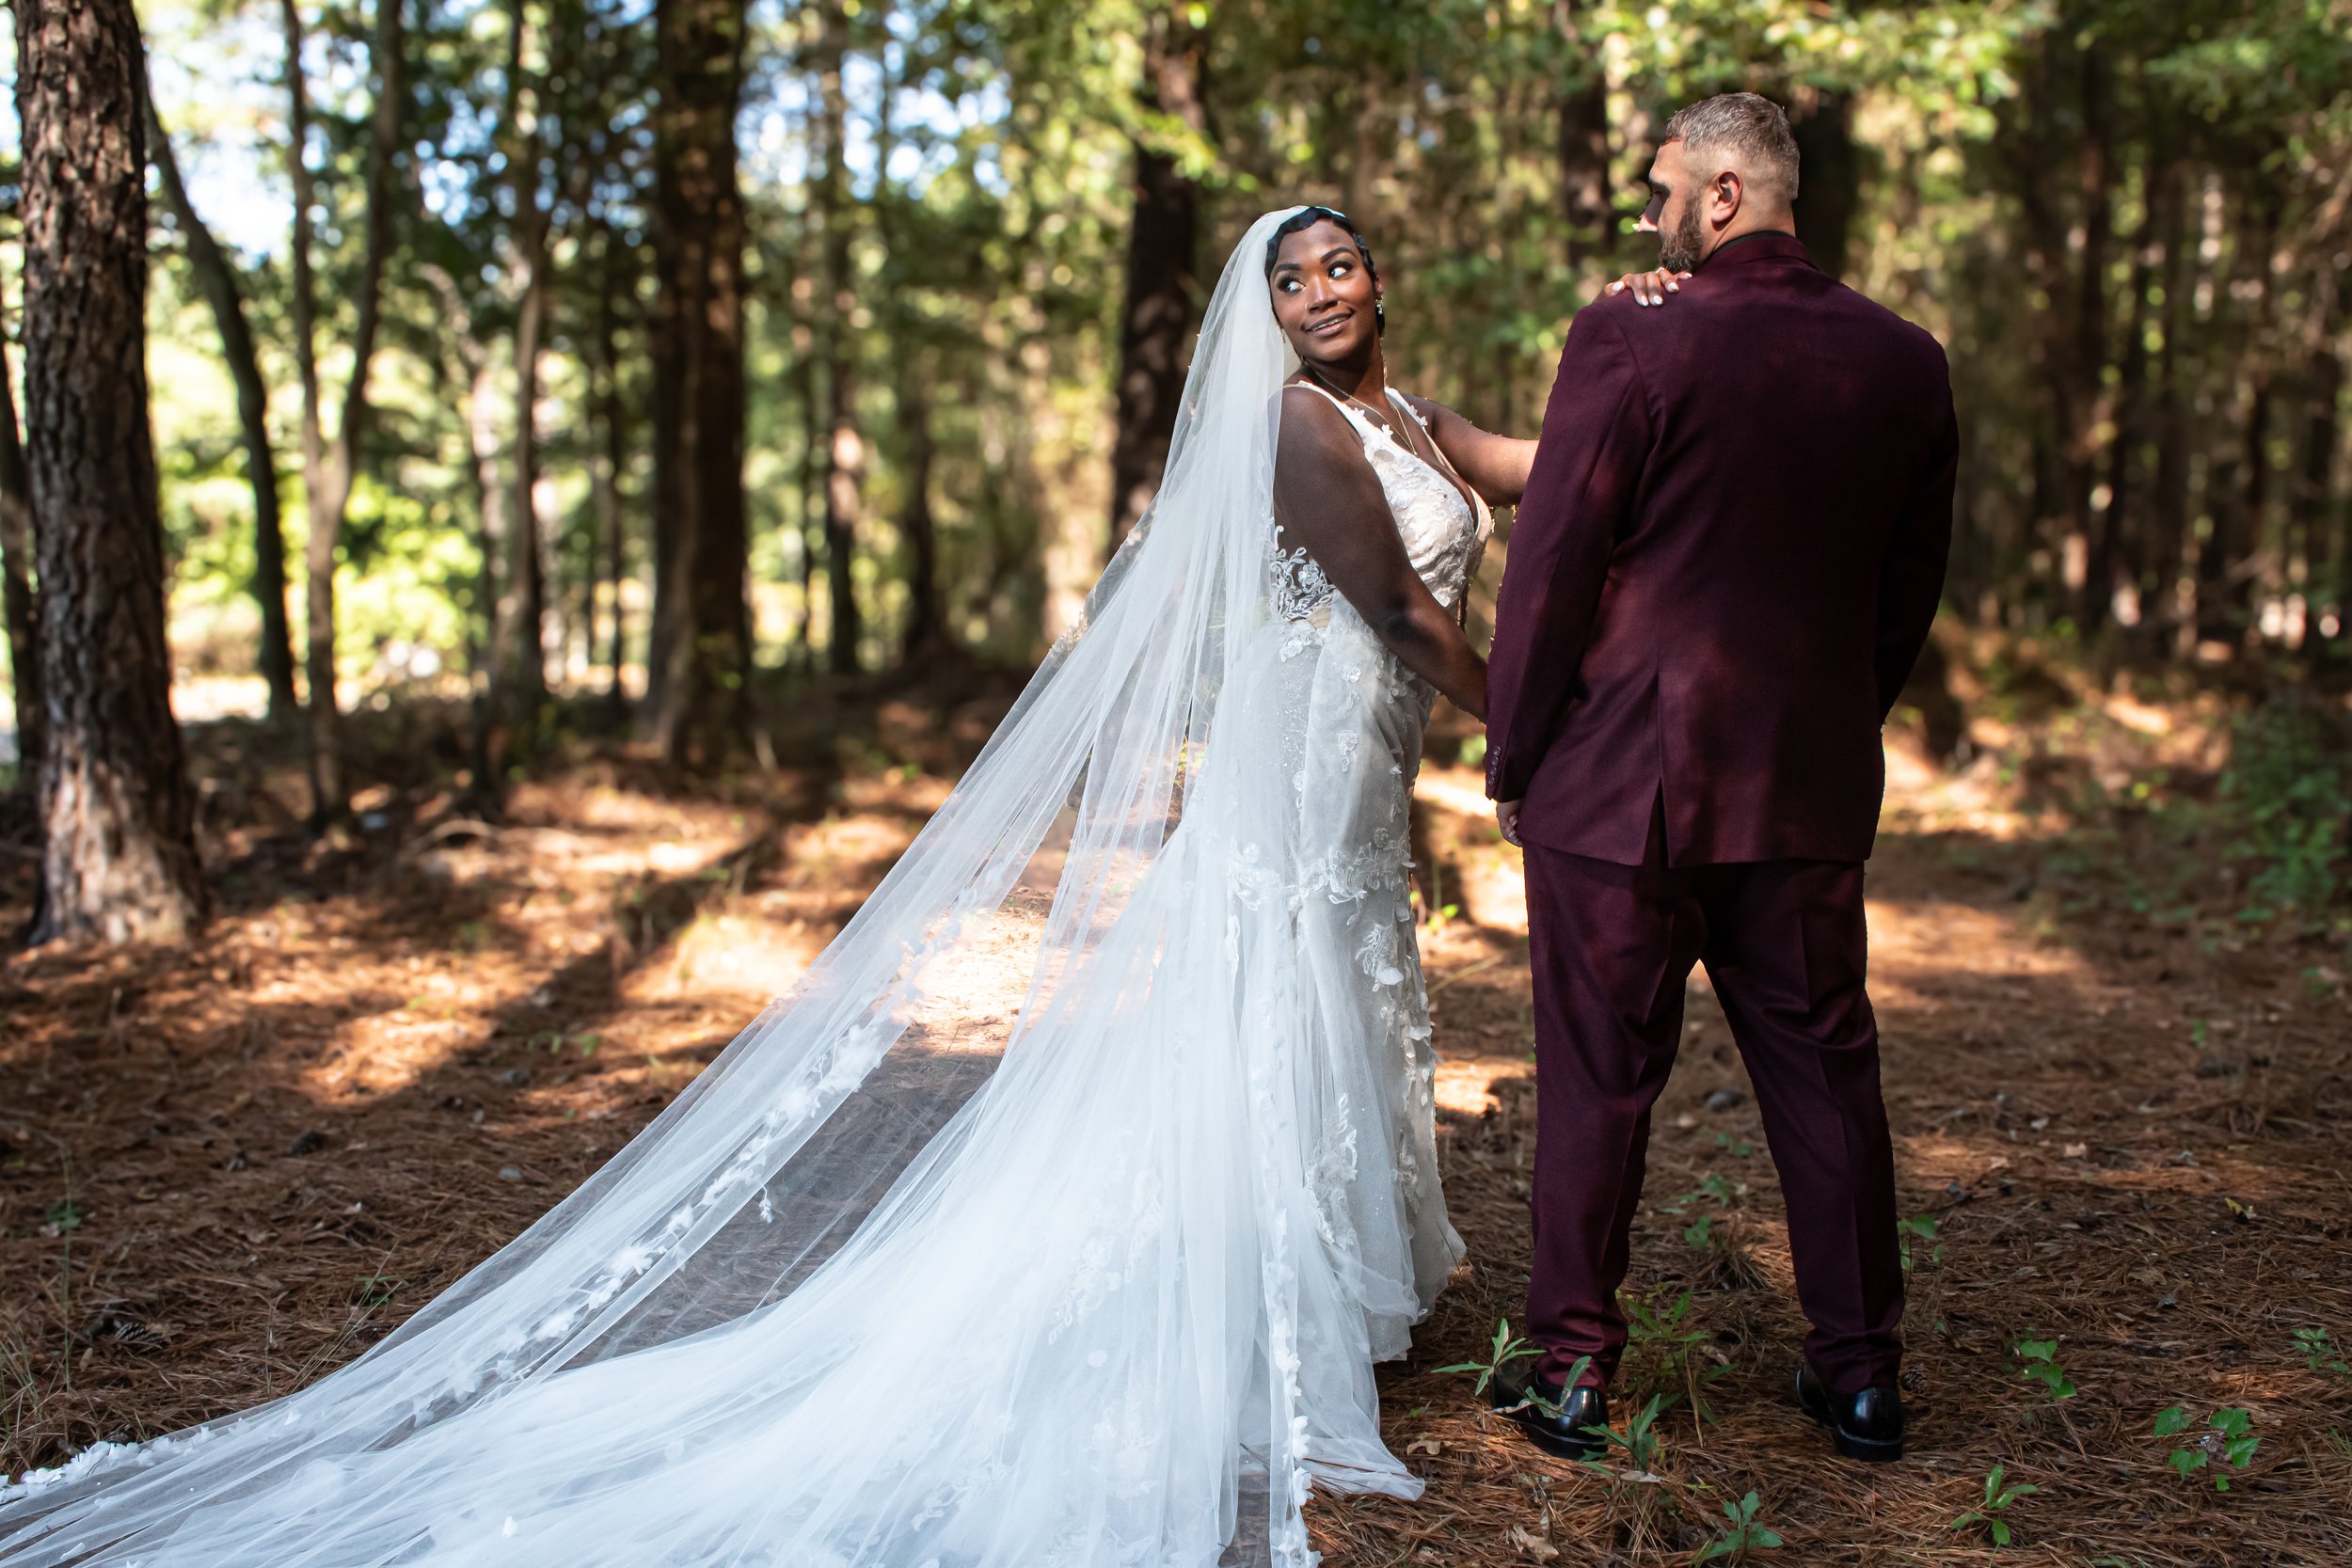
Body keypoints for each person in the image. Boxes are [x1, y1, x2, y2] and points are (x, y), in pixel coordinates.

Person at [0, 208, 1492, 1568]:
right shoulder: (1300, 430)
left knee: (1329, 1001)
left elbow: (1533, 466)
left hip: (1350, 793)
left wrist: (1686, 319)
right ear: (1268, 315)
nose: (1319, 293)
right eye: (1290, 280)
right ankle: (1258, 1324)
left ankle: (1327, 1296)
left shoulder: (1405, 417)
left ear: (1380, 276)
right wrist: (1533, 726)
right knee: (1272, 1009)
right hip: (1291, 787)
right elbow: (1403, 615)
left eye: (1341, 265)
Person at [1413, 91, 1957, 1465]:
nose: (1649, 217)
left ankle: (1577, 1377)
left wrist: (1518, 747)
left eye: (1663, 191)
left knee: (1597, 1082)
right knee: (1828, 1079)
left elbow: (1555, 565)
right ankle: (1861, 1380)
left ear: (1724, 194)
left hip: (1621, 792)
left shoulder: (1630, 334)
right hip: (1801, 787)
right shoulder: (1907, 362)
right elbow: (1906, 589)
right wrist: (1831, 722)